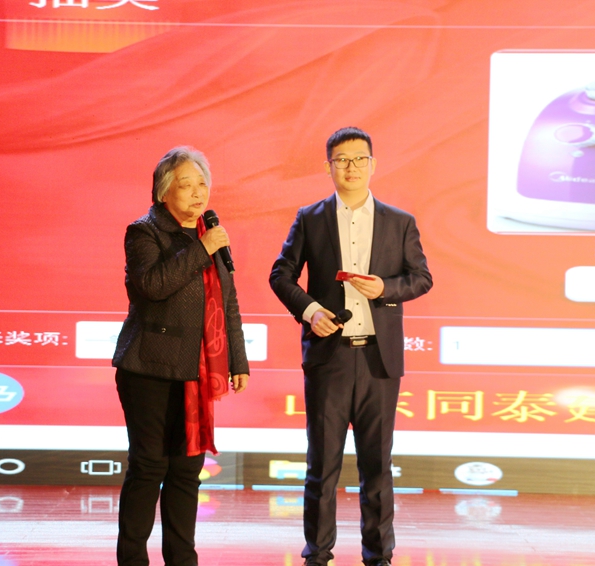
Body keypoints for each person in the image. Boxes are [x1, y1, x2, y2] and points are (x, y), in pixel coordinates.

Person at [269, 127, 432, 566]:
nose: (351, 167)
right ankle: (317, 555)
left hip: (379, 359)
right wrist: (310, 311)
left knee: (377, 466)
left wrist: (386, 288)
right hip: (331, 358)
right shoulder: (311, 218)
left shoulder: (399, 221)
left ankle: (379, 557)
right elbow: (281, 275)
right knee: (322, 465)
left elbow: (421, 278)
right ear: (329, 167)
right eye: (341, 159)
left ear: (373, 165)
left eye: (359, 159)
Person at [112, 146, 250, 566]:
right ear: (163, 191)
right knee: (149, 466)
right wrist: (201, 248)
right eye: (186, 185)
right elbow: (152, 286)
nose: (197, 192)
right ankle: (132, 560)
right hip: (148, 368)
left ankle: (182, 560)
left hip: (196, 370)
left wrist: (238, 360)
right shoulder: (144, 232)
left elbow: (227, 302)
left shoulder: (210, 234)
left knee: (187, 472)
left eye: (202, 183)